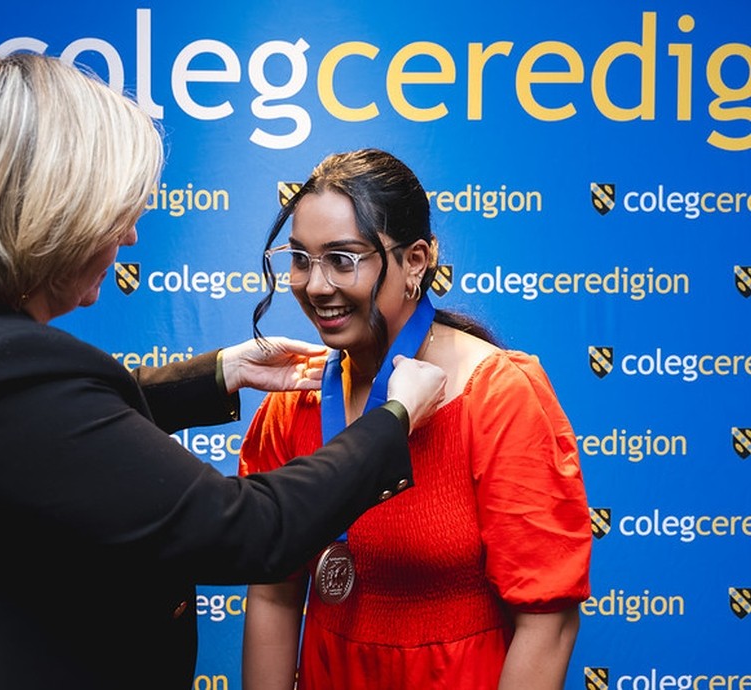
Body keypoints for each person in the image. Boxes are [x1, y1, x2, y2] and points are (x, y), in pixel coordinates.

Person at [0, 55, 449, 690]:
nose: (129, 237)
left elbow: (28, 438)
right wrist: (388, 421)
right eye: (113, 212)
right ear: (48, 215)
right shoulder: (0, 375)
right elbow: (247, 529)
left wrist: (219, 373)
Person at [240, 148, 592, 690]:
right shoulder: (295, 399)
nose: (314, 285)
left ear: (416, 261)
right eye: (301, 258)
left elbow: (548, 623)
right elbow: (272, 592)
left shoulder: (497, 395)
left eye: (342, 258)